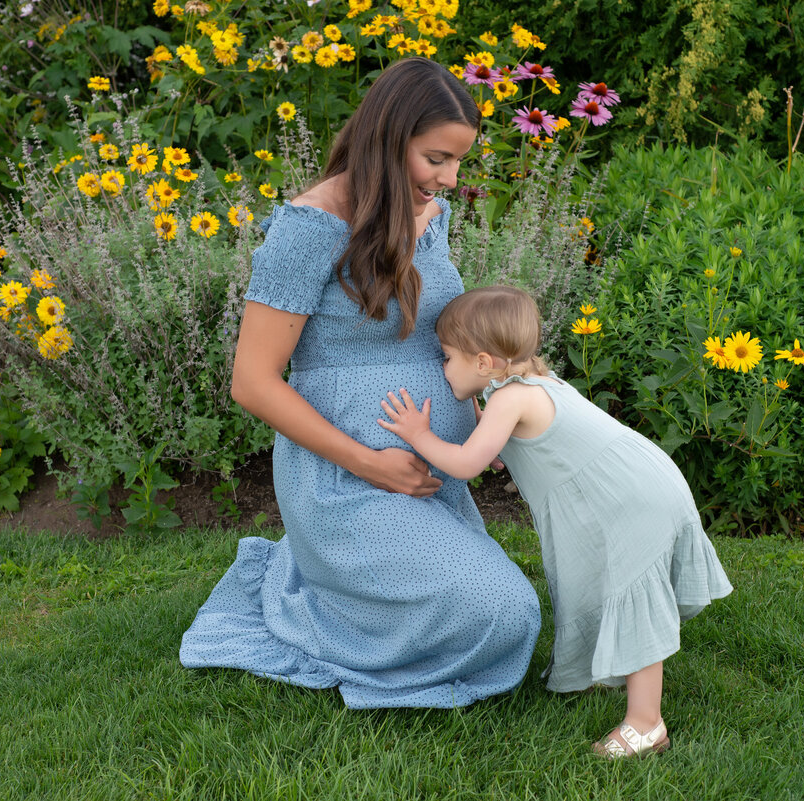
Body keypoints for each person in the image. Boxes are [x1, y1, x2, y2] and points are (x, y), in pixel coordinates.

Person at [178, 59, 542, 709]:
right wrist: (371, 463)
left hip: (425, 478)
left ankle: (345, 585)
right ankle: (316, 597)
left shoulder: (434, 216)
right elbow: (252, 382)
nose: (451, 179)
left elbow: (441, 335)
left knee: (512, 614)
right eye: (436, 158)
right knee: (505, 612)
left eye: (458, 161)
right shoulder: (309, 228)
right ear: (389, 136)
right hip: (346, 480)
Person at [376, 285, 733, 755]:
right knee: (605, 585)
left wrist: (419, 435)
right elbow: (514, 450)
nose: (443, 369)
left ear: (484, 363)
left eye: (447, 357)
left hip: (633, 501)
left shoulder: (511, 400)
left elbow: (467, 464)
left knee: (631, 594)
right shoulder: (535, 385)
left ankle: (647, 724)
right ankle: (603, 673)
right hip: (642, 482)